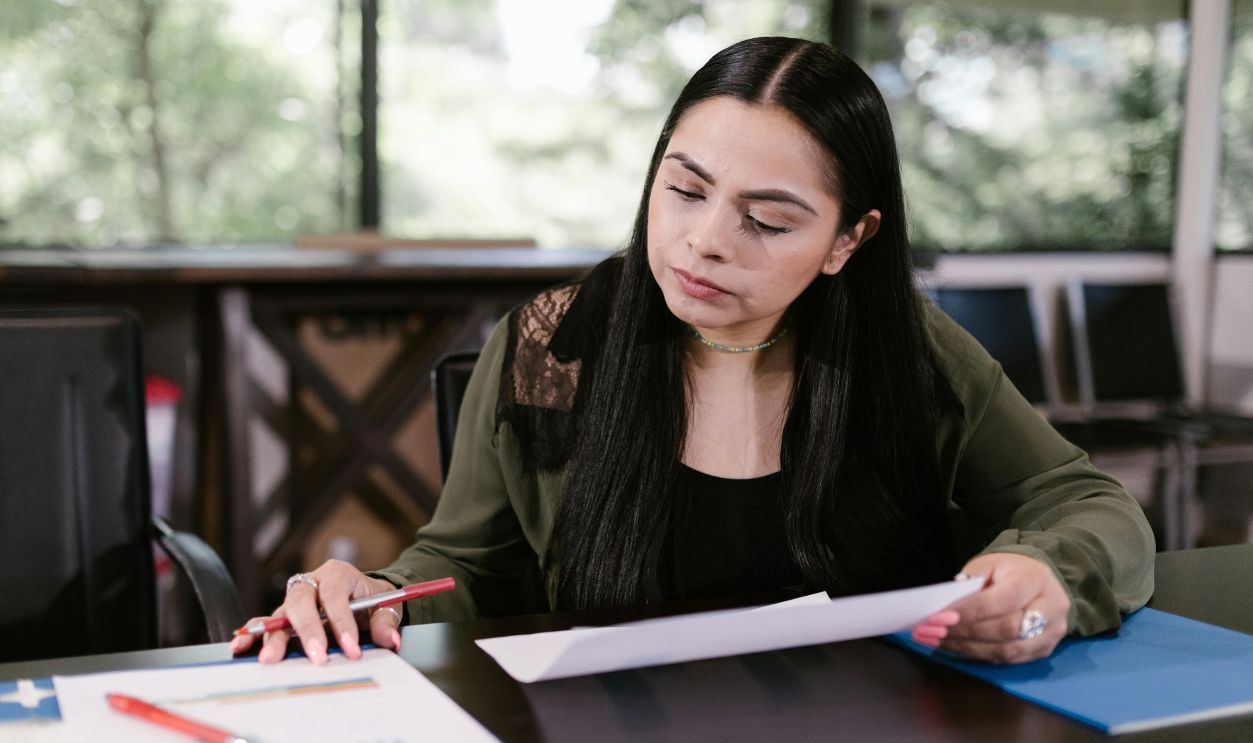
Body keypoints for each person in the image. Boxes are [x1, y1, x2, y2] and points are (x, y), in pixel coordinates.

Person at [233, 36, 1154, 667]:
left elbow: (1087, 504)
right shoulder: (550, 347)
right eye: (684, 190)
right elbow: (465, 566)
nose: (704, 240)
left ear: (847, 240)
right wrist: (376, 593)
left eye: (765, 219)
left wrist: (1050, 583)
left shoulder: (904, 354)